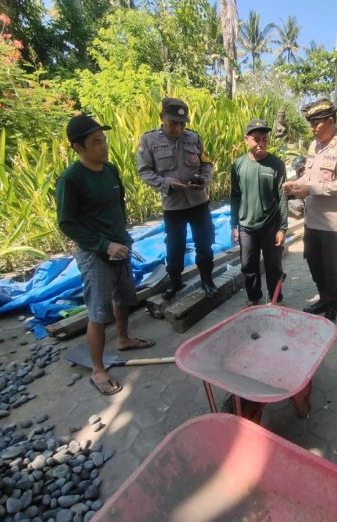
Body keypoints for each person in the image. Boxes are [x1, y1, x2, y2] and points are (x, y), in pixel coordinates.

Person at [55, 115, 155, 396]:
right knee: (98, 313)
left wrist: (121, 237)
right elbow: (67, 223)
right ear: (78, 147)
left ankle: (123, 339)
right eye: (96, 142)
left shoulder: (110, 170)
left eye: (104, 140)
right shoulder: (71, 179)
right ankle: (98, 370)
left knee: (123, 298)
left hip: (120, 246)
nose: (104, 146)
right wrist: (104, 244)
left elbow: (118, 204)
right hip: (94, 254)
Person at [283, 99, 337, 322]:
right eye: (311, 124)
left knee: (332, 268)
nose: (313, 129)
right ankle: (324, 298)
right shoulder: (314, 145)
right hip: (312, 219)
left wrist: (311, 189)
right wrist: (296, 184)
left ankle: (333, 305)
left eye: (317, 124)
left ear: (331, 121)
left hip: (332, 223)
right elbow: (308, 176)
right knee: (314, 263)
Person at [136, 97, 217, 300]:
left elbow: (206, 164)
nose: (178, 128)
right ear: (162, 117)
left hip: (198, 201)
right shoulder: (149, 141)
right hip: (173, 206)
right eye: (174, 123)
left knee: (204, 244)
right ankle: (175, 282)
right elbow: (144, 171)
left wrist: (204, 180)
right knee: (175, 247)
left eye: (182, 123)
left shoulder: (194, 138)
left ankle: (207, 279)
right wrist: (167, 183)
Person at [230, 118, 288, 306]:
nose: (261, 143)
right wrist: (234, 225)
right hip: (246, 226)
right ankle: (254, 299)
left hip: (270, 225)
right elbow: (235, 196)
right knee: (248, 266)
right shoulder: (238, 165)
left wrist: (282, 228)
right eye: (256, 139)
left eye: (265, 139)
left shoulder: (276, 164)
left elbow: (282, 197)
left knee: (273, 266)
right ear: (246, 139)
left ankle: (275, 299)